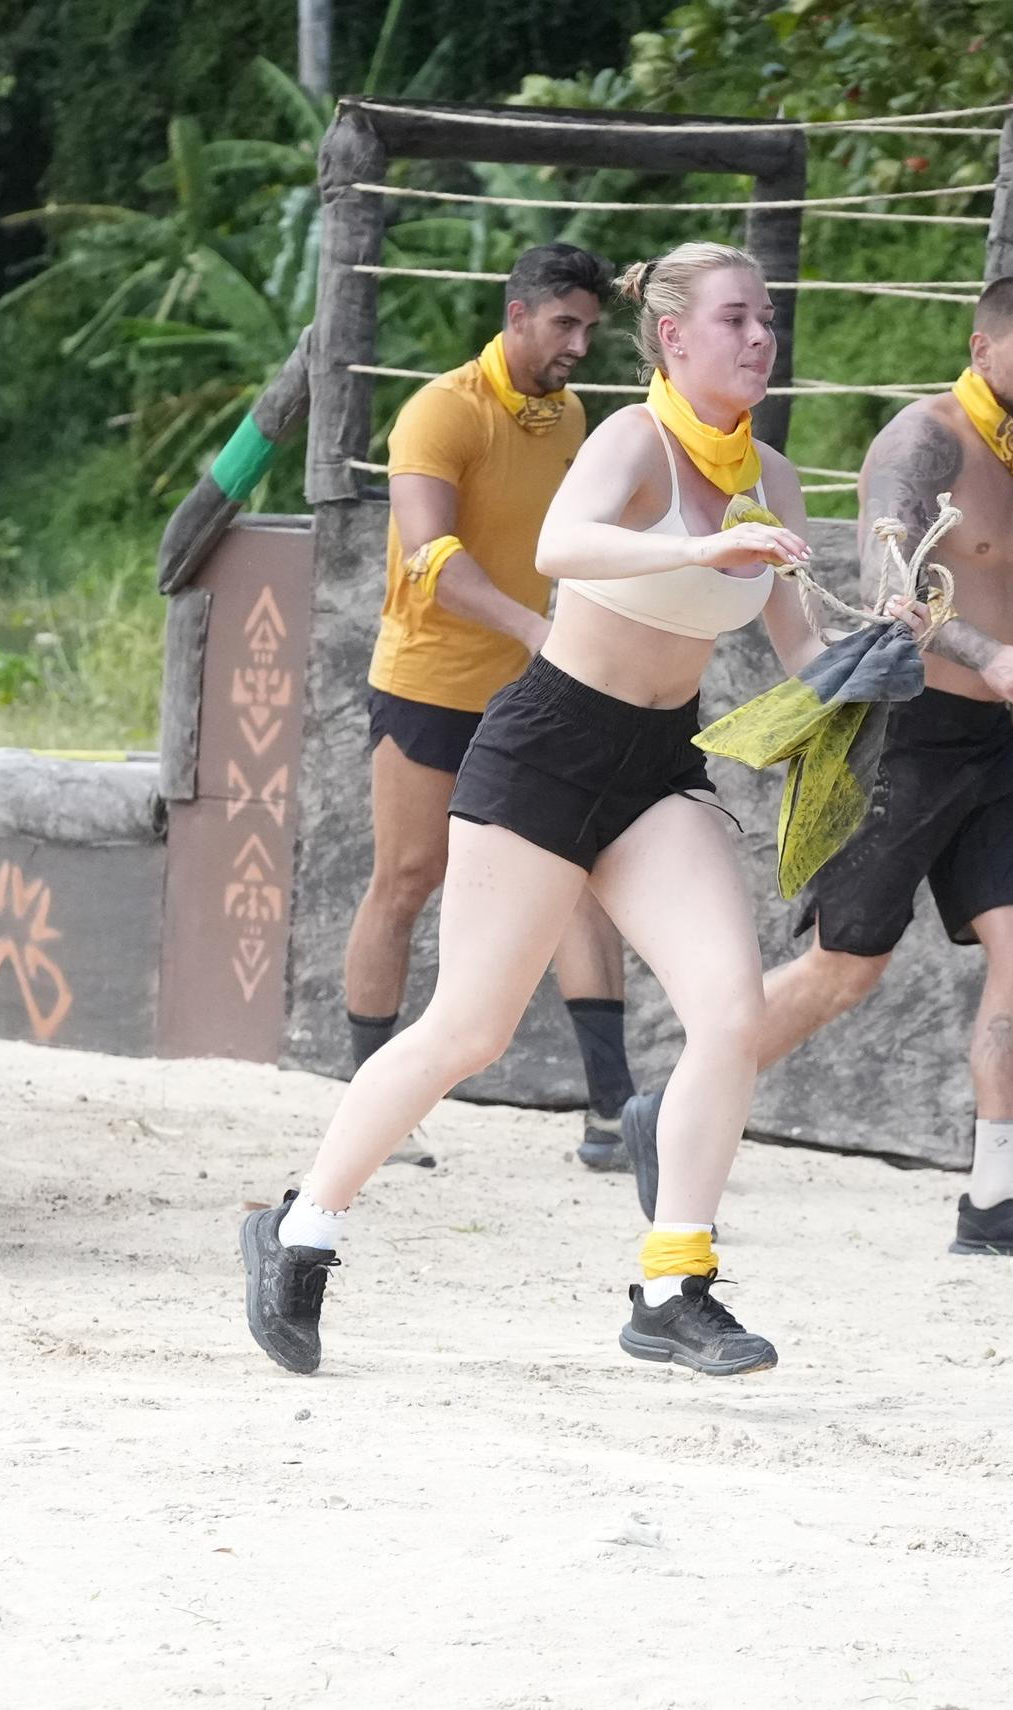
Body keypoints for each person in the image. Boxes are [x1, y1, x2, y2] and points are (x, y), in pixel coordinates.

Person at [242, 241, 834, 1377]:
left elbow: (803, 648)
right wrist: (708, 543)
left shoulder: (772, 476)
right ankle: (300, 1227)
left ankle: (672, 1287)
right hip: (548, 749)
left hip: (657, 765)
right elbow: (562, 549)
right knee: (469, 1030)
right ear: (673, 336)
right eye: (735, 319)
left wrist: (885, 652)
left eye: (766, 318)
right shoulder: (632, 440)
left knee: (730, 1013)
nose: (761, 337)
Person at [620, 276, 1013, 1260]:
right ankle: (667, 1106)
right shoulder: (922, 440)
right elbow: (883, 584)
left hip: (987, 740)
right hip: (903, 727)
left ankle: (996, 1200)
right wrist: (991, 655)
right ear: (981, 349)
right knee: (845, 968)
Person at [344, 243, 639, 1171]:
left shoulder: (572, 416)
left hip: (533, 691)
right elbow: (430, 555)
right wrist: (533, 627)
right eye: (564, 325)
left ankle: (613, 1114)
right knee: (407, 879)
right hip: (430, 680)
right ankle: (374, 1104)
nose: (580, 345)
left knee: (577, 879)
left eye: (590, 328)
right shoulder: (442, 410)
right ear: (517, 316)